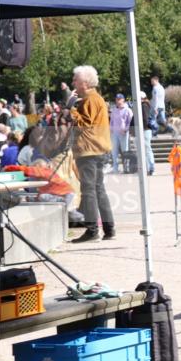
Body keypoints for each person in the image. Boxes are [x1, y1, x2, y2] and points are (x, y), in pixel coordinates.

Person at [69, 65, 114, 243]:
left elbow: (83, 124)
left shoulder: (90, 100)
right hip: (96, 149)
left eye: (75, 80)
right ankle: (109, 229)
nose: (73, 82)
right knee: (98, 189)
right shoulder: (95, 98)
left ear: (85, 83)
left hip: (88, 150)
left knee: (88, 191)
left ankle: (92, 230)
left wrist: (71, 109)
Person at [108, 95, 132, 174]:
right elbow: (111, 121)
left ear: (123, 100)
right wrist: (110, 129)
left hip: (123, 133)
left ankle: (126, 167)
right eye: (116, 99)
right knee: (114, 151)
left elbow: (129, 122)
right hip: (114, 133)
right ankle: (115, 168)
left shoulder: (127, 110)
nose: (118, 101)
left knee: (125, 151)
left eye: (119, 99)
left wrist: (126, 130)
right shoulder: (114, 110)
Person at [139, 94, 156, 175]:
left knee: (147, 149)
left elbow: (145, 118)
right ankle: (149, 168)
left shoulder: (144, 105)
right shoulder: (147, 104)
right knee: (147, 149)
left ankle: (151, 168)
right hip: (147, 130)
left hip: (145, 130)